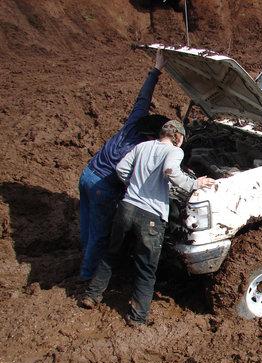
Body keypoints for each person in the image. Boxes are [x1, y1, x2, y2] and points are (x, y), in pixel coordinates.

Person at [79, 120, 216, 326]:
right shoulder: (175, 152)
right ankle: (137, 317)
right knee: (146, 268)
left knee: (111, 254)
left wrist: (133, 185)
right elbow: (171, 171)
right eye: (182, 139)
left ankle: (91, 295)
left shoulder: (142, 146)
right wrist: (195, 183)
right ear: (177, 137)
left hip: (126, 208)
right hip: (151, 216)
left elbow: (121, 169)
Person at [78, 49, 167, 281]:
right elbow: (128, 175)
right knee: (100, 234)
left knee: (87, 223)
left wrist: (156, 69)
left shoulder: (133, 123)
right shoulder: (140, 149)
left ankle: (83, 257)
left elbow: (143, 98)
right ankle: (87, 276)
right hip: (103, 186)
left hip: (87, 173)